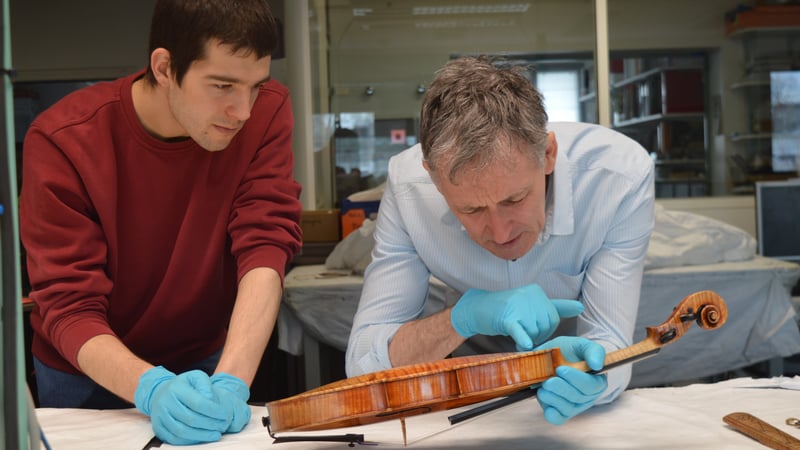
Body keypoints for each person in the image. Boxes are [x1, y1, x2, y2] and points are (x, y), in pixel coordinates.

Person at [19, 0, 301, 445]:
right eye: (223, 85)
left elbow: (266, 246)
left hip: (205, 358)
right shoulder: (63, 140)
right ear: (165, 66)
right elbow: (68, 305)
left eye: (255, 86)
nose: (242, 111)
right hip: (84, 366)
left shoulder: (266, 112)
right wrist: (151, 388)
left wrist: (232, 380)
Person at [345, 56, 655, 425]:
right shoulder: (408, 186)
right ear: (432, 177)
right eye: (472, 210)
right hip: (463, 379)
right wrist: (462, 319)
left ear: (549, 155)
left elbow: (611, 339)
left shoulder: (618, 178)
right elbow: (363, 364)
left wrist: (595, 374)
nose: (501, 233)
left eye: (514, 200)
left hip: (566, 375)